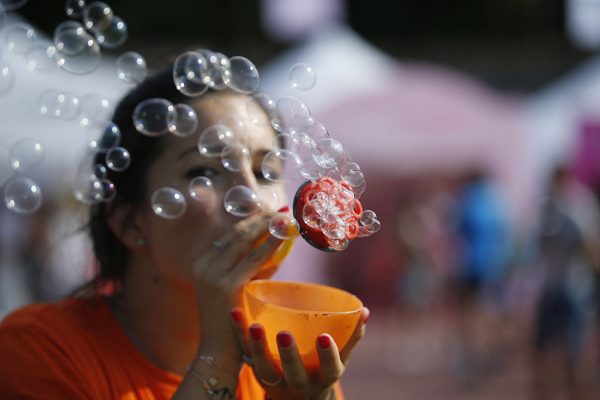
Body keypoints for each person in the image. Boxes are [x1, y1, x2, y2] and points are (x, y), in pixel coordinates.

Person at [0, 66, 369, 399]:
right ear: (129, 222)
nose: (254, 200)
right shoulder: (37, 350)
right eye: (204, 172)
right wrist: (219, 357)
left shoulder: (285, 356)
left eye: (266, 172)